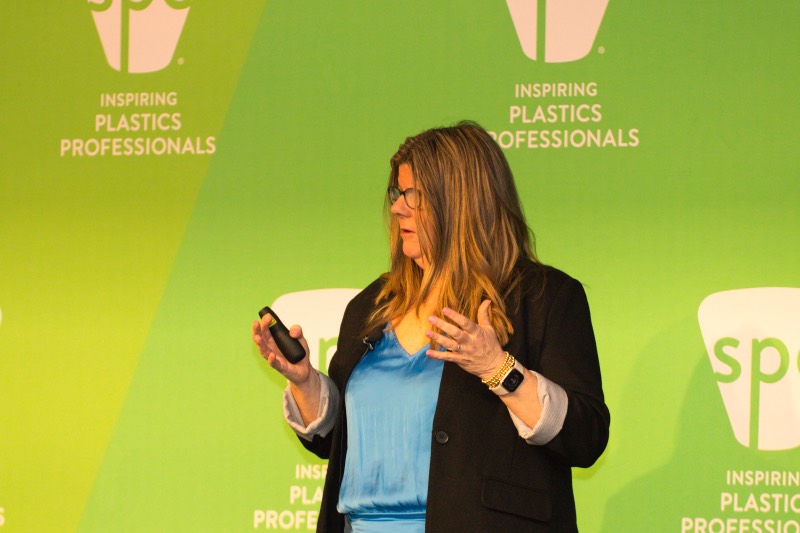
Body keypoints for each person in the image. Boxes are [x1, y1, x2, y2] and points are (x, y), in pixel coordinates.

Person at [252, 121, 609, 532]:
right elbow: (339, 443)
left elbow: (586, 437)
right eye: (397, 194)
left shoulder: (543, 298)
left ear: (461, 201)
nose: (397, 208)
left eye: (413, 196)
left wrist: (498, 368)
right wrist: (305, 383)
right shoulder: (371, 305)